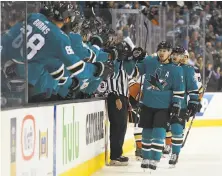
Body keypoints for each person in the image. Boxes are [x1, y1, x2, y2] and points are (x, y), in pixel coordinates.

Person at [126, 41, 185, 170]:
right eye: (161, 50)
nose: (162, 53)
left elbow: (179, 89)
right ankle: (146, 157)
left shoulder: (176, 69)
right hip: (147, 103)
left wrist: (176, 104)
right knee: (146, 133)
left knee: (159, 132)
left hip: (164, 107)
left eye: (165, 50)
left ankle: (154, 158)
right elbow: (132, 72)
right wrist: (134, 58)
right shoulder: (149, 61)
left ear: (170, 52)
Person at [166, 46, 199, 166]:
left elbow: (192, 88)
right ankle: (166, 145)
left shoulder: (187, 69)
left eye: (178, 54)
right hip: (162, 104)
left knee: (176, 129)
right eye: (173, 54)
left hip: (180, 104)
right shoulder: (164, 67)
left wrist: (194, 102)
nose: (175, 56)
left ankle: (175, 153)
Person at [106, 40, 133, 166]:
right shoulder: (114, 63)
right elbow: (111, 80)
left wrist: (126, 99)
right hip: (115, 96)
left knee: (122, 126)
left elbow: (128, 80)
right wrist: (116, 97)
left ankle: (118, 154)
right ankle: (115, 156)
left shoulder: (123, 64)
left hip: (122, 97)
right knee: (117, 126)